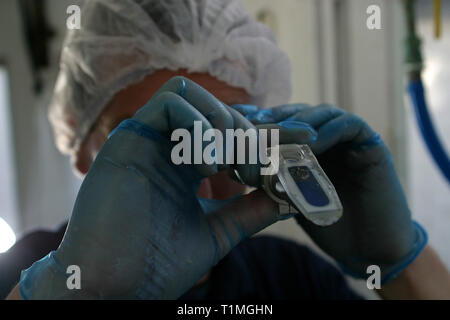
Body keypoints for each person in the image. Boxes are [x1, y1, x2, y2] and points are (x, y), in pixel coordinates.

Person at [3, 0, 450, 300]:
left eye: (233, 134)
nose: (205, 171)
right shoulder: (19, 274)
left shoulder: (289, 279)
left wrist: (399, 263)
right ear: (82, 151)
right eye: (163, 141)